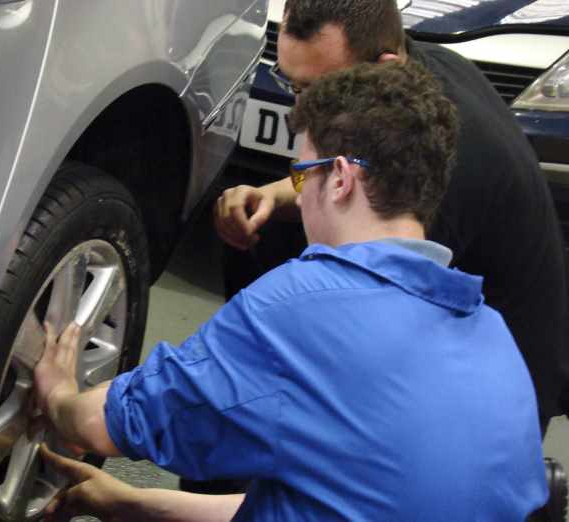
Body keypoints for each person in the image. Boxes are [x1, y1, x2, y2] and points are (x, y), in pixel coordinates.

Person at [34, 62, 548, 521]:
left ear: (341, 179)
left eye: (301, 178)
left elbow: (104, 427)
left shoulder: (301, 307)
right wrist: (133, 502)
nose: (298, 202)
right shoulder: (493, 337)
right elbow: (337, 503)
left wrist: (58, 393)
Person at [216, 0, 569, 435]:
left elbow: (366, 319)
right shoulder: (411, 76)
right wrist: (270, 194)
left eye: (315, 89)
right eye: (292, 85)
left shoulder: (448, 162)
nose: (297, 114)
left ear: (384, 65)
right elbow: (351, 175)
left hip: (490, 397)